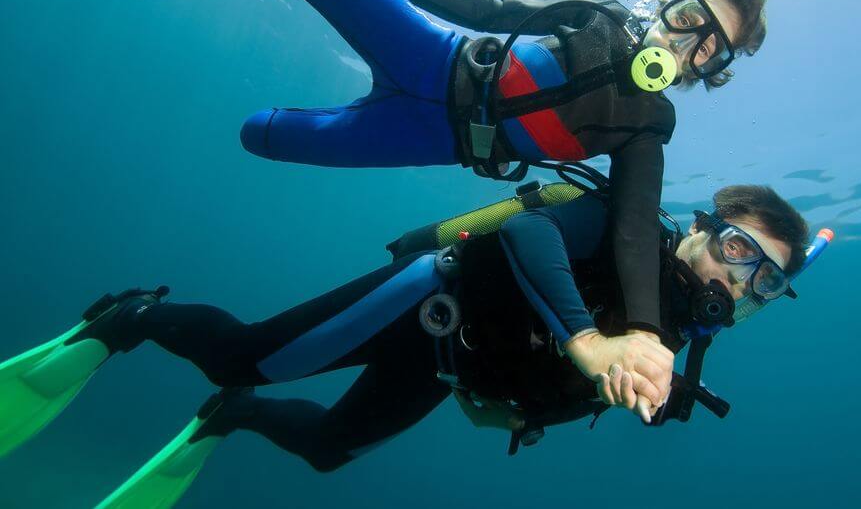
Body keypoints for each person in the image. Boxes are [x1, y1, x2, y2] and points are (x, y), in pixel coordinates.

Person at [238, 0, 770, 400]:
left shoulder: (651, 125)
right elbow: (500, 10)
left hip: (433, 139)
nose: (687, 45)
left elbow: (633, 225)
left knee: (260, 134)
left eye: (708, 49)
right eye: (690, 19)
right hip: (434, 57)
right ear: (670, 7)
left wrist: (644, 334)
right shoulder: (601, 14)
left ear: (709, 71)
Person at [0, 183, 819, 507]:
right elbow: (533, 231)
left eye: (768, 282)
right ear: (701, 231)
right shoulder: (629, 226)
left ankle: (233, 414)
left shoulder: (681, 350)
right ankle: (132, 318)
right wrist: (587, 344)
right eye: (738, 249)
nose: (742, 280)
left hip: (448, 371)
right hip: (425, 303)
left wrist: (632, 383)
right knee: (241, 350)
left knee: (325, 447)